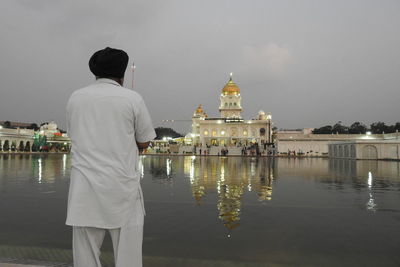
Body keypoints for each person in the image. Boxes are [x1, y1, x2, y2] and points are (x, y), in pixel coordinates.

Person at [66, 47, 156, 267]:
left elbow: (75, 135)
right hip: (122, 189)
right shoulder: (132, 99)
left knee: (85, 258)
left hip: (84, 190)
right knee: (128, 259)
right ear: (122, 74)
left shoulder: (76, 98)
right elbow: (144, 141)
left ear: (94, 72)